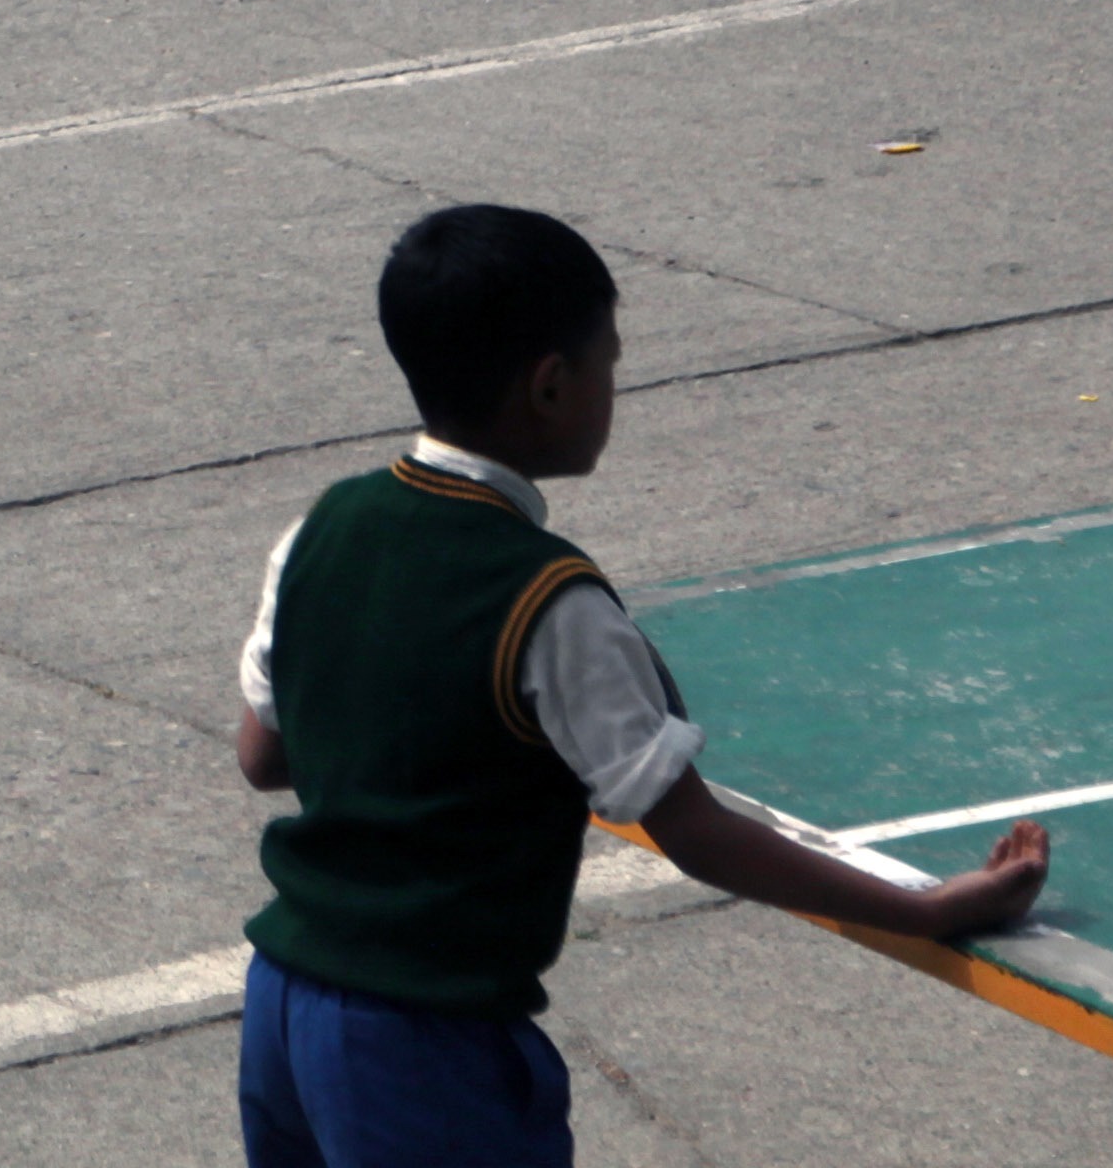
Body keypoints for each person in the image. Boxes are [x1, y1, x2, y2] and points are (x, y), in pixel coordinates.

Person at [233, 205, 1049, 1168]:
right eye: (609, 362)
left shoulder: (322, 527)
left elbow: (263, 755)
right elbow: (696, 835)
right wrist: (930, 909)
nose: (616, 387)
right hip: (423, 1047)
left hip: (282, 1006)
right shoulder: (550, 602)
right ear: (549, 384)